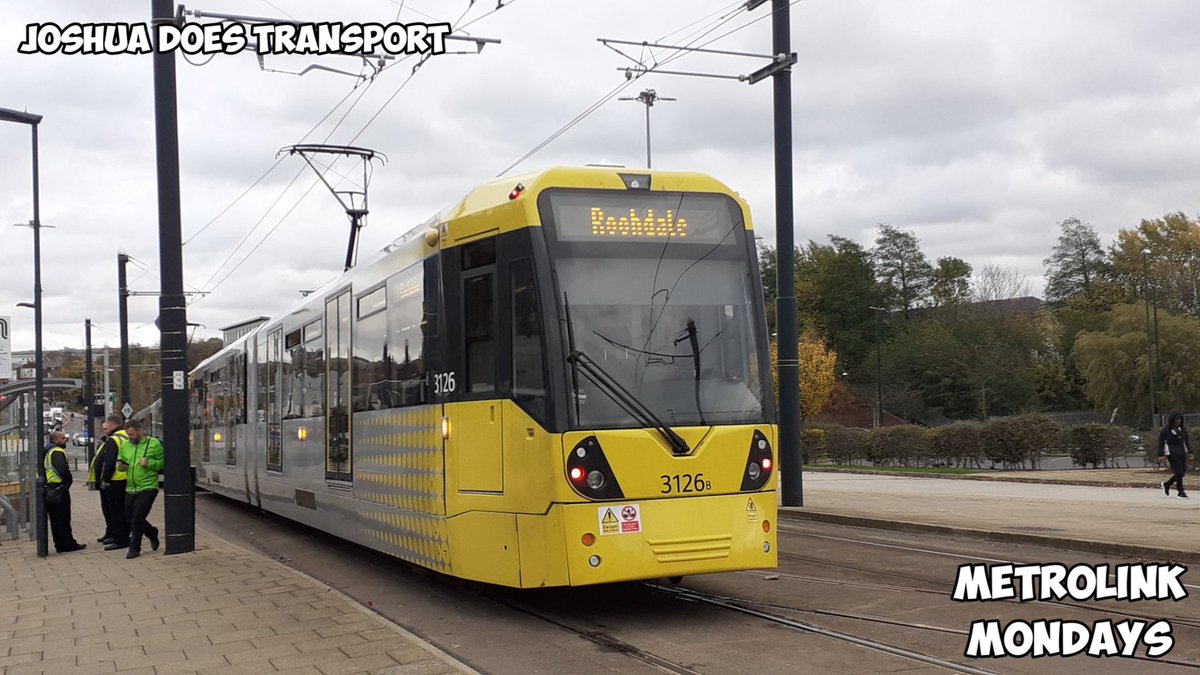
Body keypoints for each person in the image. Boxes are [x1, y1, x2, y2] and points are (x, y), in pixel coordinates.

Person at [116, 419, 162, 559]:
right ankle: (152, 532)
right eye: (128, 435)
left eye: (132, 434)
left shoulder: (153, 444)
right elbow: (121, 462)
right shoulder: (126, 446)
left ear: (140, 431)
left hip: (148, 486)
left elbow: (163, 463)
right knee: (130, 517)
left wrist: (150, 463)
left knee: (137, 517)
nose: (130, 437)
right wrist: (121, 466)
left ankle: (134, 548)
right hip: (131, 487)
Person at [44, 431, 86, 553]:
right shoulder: (56, 451)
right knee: (62, 518)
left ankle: (61, 544)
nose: (65, 440)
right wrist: (68, 481)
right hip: (58, 489)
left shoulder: (48, 450)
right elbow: (62, 469)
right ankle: (67, 544)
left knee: (56, 520)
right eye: (63, 438)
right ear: (55, 440)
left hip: (51, 488)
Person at [94, 415, 130, 550]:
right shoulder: (126, 437)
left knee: (115, 511)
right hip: (125, 478)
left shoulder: (114, 440)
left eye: (105, 428)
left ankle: (120, 539)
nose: (104, 431)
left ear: (111, 426)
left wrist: (105, 479)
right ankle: (117, 534)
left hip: (115, 480)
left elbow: (109, 462)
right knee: (121, 510)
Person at [1159, 413, 1191, 499]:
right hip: (1171, 452)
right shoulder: (1165, 430)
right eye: (1177, 419)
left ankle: (1167, 484)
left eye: (1180, 419)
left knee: (1182, 472)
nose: (1178, 421)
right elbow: (1161, 442)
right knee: (1178, 472)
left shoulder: (1182, 430)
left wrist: (1190, 452)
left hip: (1181, 452)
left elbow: (1186, 441)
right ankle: (1180, 491)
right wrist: (1161, 454)